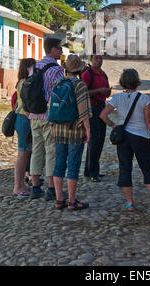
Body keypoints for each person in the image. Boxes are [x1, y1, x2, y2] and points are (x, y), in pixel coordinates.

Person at [100, 69, 150, 212]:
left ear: (122, 81)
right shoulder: (144, 99)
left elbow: (103, 115)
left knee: (125, 168)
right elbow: (148, 122)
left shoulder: (117, 99)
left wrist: (113, 125)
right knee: (147, 169)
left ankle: (130, 202)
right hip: (141, 136)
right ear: (137, 81)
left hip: (124, 138)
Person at [50, 54, 92, 210]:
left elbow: (51, 106)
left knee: (59, 163)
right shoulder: (79, 85)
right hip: (75, 130)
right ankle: (72, 201)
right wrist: (88, 129)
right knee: (73, 165)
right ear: (79, 69)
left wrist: (52, 124)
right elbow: (84, 110)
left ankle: (59, 199)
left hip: (58, 129)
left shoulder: (57, 83)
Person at [28, 37, 65, 200]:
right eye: (59, 48)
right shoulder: (56, 69)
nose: (61, 51)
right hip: (48, 115)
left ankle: (35, 186)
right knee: (51, 151)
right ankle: (51, 188)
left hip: (33, 114)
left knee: (36, 149)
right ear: (52, 49)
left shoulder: (34, 67)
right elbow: (59, 92)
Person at [81, 54, 111, 182]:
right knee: (94, 140)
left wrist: (107, 91)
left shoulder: (104, 74)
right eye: (96, 58)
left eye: (100, 58)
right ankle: (93, 172)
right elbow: (82, 92)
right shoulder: (87, 74)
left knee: (100, 140)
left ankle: (89, 169)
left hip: (102, 108)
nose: (99, 60)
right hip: (91, 109)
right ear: (91, 60)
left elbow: (106, 91)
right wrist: (99, 90)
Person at [13, 58, 36, 196]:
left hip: (24, 118)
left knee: (26, 153)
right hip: (24, 118)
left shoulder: (23, 82)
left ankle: (21, 184)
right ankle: (17, 186)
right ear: (27, 68)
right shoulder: (23, 83)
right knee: (22, 154)